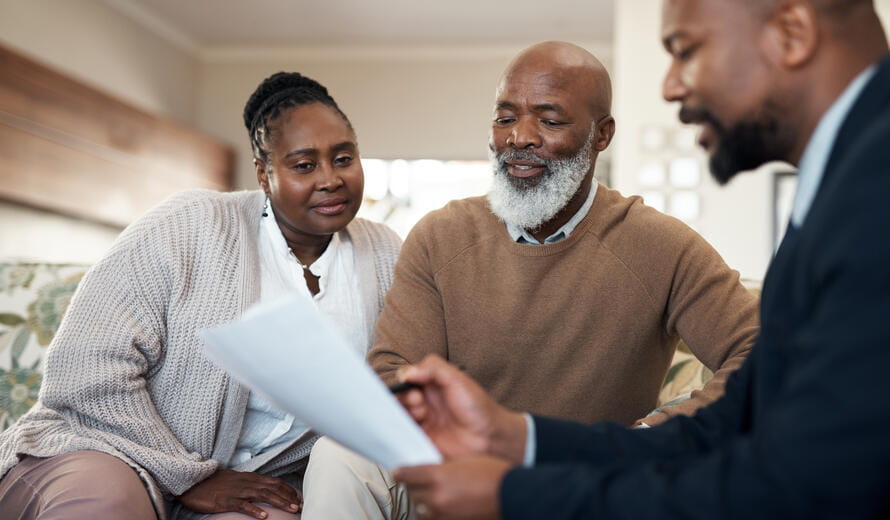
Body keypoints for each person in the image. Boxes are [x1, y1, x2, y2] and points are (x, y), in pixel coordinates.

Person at [391, 0, 890, 518]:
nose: (670, 86)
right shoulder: (839, 186)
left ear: (792, 33)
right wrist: (521, 438)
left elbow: (810, 483)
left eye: (687, 51)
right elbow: (735, 419)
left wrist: (515, 496)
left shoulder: (875, 194)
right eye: (506, 117)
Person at [302, 41, 759, 519]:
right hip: (454, 465)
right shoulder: (441, 235)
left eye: (549, 119)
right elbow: (394, 367)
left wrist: (648, 439)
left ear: (601, 135)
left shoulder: (661, 245)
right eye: (505, 117)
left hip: (576, 484)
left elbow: (759, 353)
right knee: (340, 455)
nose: (520, 137)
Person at [0, 72, 402, 519]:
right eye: (304, 165)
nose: (331, 179)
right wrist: (189, 476)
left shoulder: (386, 254)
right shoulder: (190, 224)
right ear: (264, 175)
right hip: (106, 451)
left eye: (343, 158)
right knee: (105, 506)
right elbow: (86, 371)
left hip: (250, 486)